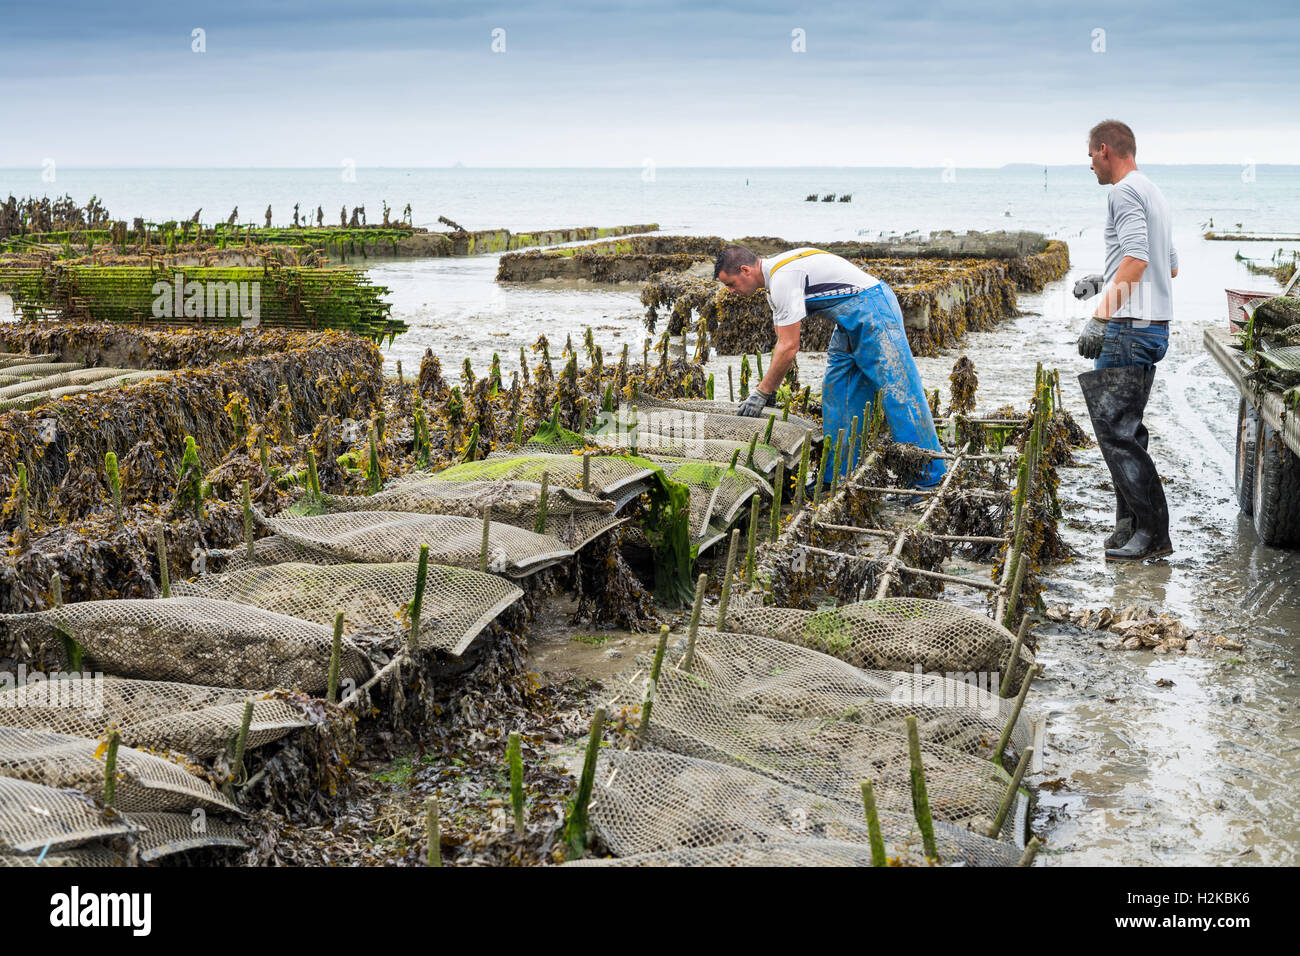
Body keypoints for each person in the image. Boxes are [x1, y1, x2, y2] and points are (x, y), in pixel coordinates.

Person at [714, 245, 945, 487]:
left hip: (874, 308)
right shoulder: (774, 285)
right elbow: (782, 343)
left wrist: (761, 393)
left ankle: (928, 479)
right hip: (848, 320)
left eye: (731, 284)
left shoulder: (782, 279)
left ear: (745, 270)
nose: (731, 291)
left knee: (900, 394)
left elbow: (790, 347)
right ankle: (837, 476)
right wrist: (769, 390)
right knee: (839, 393)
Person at [1075, 119, 1177, 561]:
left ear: (1104, 150)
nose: (1090, 165)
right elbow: (1165, 267)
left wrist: (1100, 318)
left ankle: (1152, 535)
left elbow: (1137, 259)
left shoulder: (1122, 192)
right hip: (1153, 328)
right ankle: (1129, 526)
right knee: (1128, 431)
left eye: (1090, 156)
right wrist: (1105, 279)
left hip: (1128, 329)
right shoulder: (1154, 192)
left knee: (1117, 435)